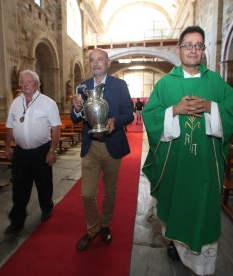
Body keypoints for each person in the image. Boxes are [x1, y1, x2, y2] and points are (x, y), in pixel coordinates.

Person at [142, 26, 233, 275]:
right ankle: (175, 245)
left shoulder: (215, 82)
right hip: (175, 165)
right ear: (179, 49)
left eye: (198, 45)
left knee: (203, 212)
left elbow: (230, 114)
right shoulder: (165, 84)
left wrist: (210, 107)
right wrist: (174, 111)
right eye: (188, 45)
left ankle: (202, 266)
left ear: (204, 50)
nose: (193, 50)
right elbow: (150, 116)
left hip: (205, 167)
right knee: (176, 205)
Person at [70, 48, 134, 251]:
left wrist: (116, 120)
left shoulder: (119, 85)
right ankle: (92, 229)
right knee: (87, 194)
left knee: (110, 191)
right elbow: (74, 118)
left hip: (112, 144)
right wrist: (77, 107)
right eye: (92, 60)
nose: (95, 63)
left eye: (100, 59)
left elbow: (129, 114)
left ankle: (105, 224)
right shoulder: (82, 87)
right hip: (91, 146)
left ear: (108, 63)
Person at [4, 69, 61, 235]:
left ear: (38, 84)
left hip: (41, 150)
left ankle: (46, 207)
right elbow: (9, 127)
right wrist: (8, 146)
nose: (26, 84)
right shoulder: (15, 103)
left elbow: (56, 129)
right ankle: (17, 220)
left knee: (43, 183)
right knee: (19, 187)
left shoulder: (48, 103)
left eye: (30, 81)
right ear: (20, 84)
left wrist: (52, 150)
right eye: (23, 81)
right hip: (20, 152)